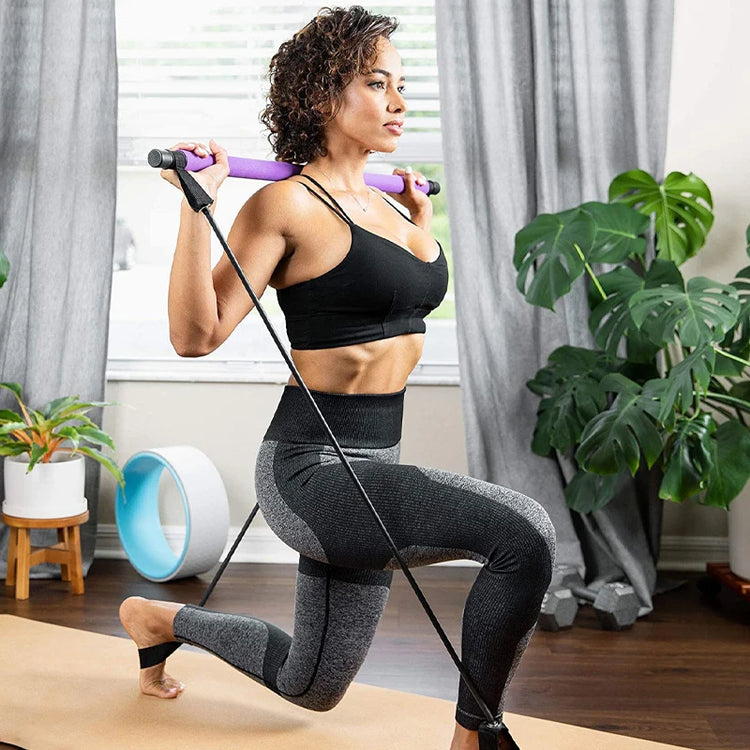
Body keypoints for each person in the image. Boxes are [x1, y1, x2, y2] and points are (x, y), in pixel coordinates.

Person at [119, 6, 555, 750]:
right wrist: (201, 208)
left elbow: (395, 293)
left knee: (310, 688)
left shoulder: (393, 207)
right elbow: (195, 337)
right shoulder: (283, 204)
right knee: (526, 535)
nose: (399, 101)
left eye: (402, 84)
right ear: (323, 96)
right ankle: (475, 737)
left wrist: (416, 218)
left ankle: (159, 620)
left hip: (374, 467)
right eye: (376, 82)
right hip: (311, 473)